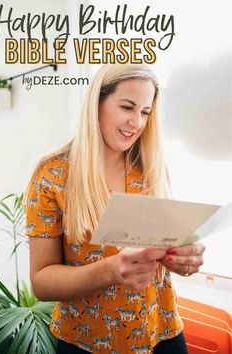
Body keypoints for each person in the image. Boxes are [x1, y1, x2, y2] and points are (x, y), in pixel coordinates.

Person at [24, 64, 205, 354]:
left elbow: (161, 249)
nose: (136, 122)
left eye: (145, 112)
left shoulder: (149, 168)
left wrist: (182, 257)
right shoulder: (52, 176)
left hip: (162, 334)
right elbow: (42, 282)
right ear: (97, 102)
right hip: (86, 344)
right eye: (127, 107)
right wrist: (110, 270)